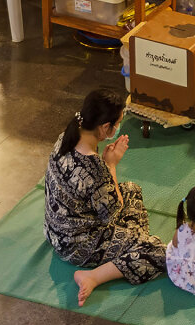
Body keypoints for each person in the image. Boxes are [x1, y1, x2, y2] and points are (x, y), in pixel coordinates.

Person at [43, 89, 166, 307]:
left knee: (131, 189)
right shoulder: (95, 166)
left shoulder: (67, 136)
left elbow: (89, 186)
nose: (118, 128)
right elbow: (112, 213)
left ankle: (131, 241)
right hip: (77, 246)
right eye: (116, 123)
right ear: (104, 127)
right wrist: (111, 164)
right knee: (158, 252)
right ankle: (94, 275)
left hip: (57, 233)